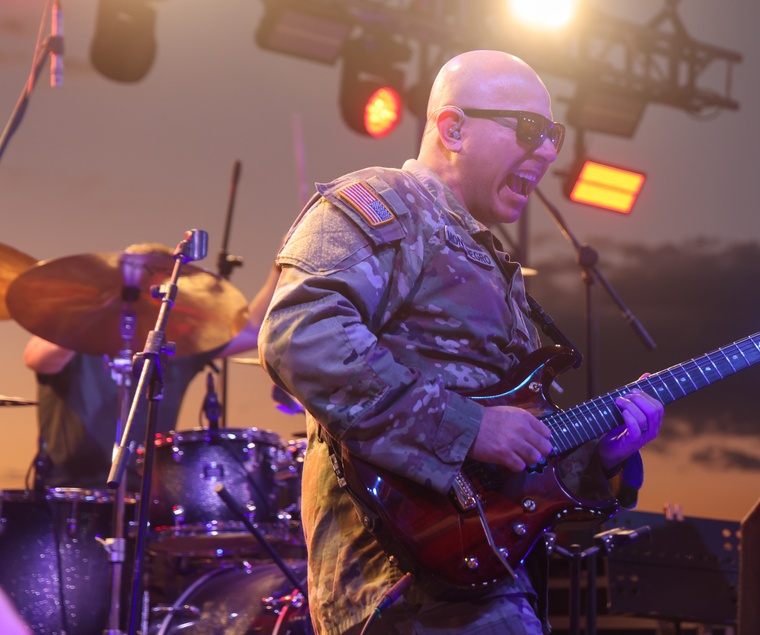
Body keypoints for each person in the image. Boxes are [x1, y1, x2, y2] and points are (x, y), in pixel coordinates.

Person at [259, 49, 664, 635]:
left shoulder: (492, 260)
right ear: (453, 128)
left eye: (555, 134)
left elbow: (516, 454)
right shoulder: (387, 204)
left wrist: (602, 456)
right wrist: (469, 426)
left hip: (479, 582)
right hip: (396, 583)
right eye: (530, 129)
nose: (549, 150)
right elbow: (301, 336)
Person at [23, 244, 280, 490]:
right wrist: (104, 304)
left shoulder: (180, 346)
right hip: (71, 494)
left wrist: (280, 267)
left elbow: (254, 331)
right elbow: (39, 358)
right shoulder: (72, 335)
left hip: (149, 492)